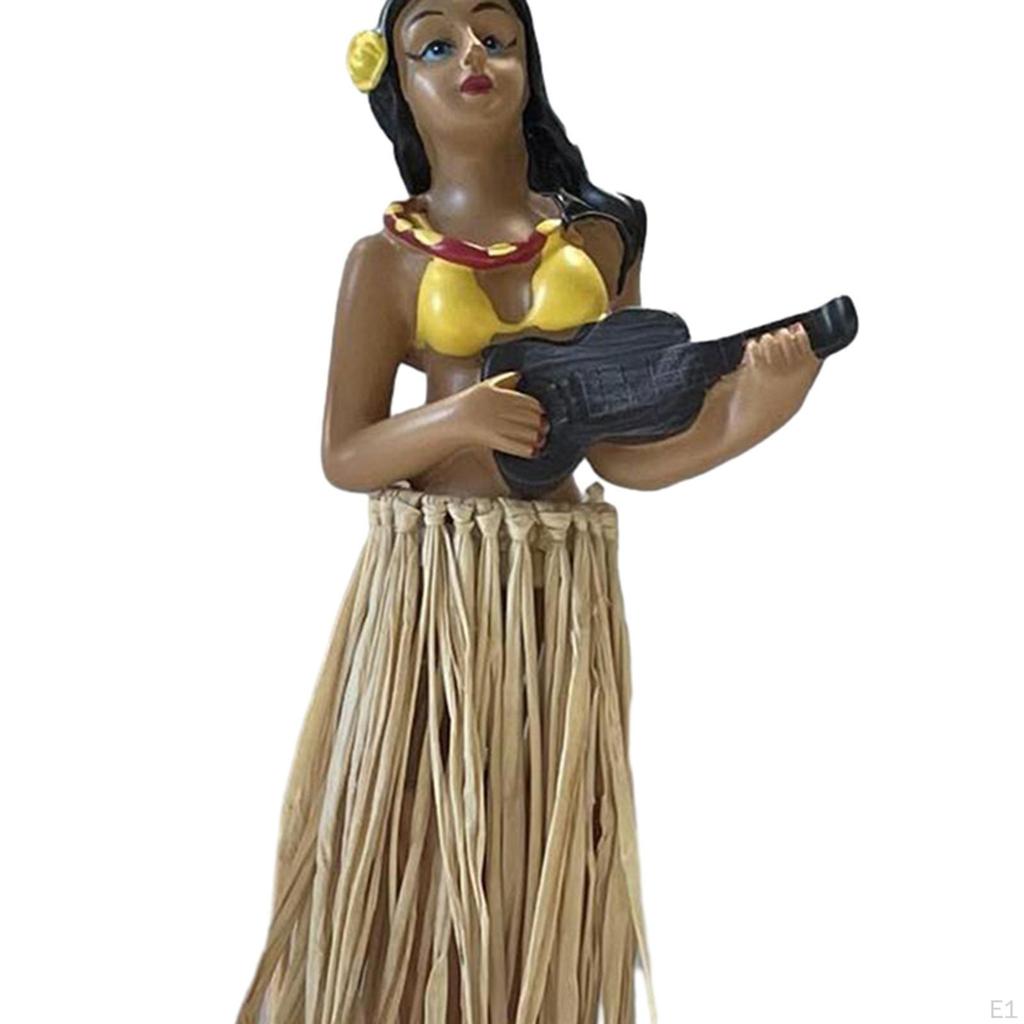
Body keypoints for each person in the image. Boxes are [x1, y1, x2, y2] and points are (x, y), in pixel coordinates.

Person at [236, 1, 822, 1022]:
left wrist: (746, 416)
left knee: (532, 833)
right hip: (434, 593)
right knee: (422, 826)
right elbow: (345, 453)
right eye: (436, 44)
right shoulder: (386, 261)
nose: (473, 55)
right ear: (399, 89)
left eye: (495, 37)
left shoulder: (597, 236)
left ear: (527, 63)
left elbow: (622, 453)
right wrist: (456, 419)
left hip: (552, 592)